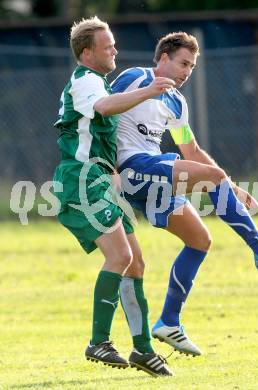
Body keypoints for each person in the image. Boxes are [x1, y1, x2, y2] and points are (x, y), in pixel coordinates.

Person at [111, 32, 258, 356]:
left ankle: (168, 323)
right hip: (131, 167)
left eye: (192, 66)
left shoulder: (176, 102)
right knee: (214, 179)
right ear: (163, 58)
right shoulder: (135, 78)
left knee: (200, 240)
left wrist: (230, 186)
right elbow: (102, 112)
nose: (187, 71)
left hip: (152, 175)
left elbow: (191, 149)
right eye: (183, 63)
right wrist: (108, 168)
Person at [53, 16, 175, 377]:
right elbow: (104, 108)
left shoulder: (98, 82)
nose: (115, 50)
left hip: (103, 183)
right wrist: (150, 89)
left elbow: (103, 128)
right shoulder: (85, 81)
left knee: (135, 263)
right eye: (108, 47)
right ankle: (98, 341)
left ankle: (143, 350)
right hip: (81, 183)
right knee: (120, 256)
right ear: (87, 52)